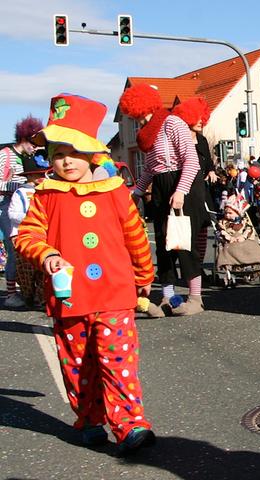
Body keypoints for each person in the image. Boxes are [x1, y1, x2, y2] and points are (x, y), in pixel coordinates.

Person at [14, 93, 156, 454]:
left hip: (114, 293)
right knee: (78, 366)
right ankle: (89, 418)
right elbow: (28, 236)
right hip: (69, 298)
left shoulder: (114, 192)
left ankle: (130, 425)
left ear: (91, 153)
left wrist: (144, 278)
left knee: (117, 361)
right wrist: (46, 254)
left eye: (73, 152)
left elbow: (135, 236)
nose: (65, 161)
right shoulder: (46, 195)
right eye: (58, 153)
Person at [119, 84, 205, 316]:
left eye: (138, 114)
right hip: (160, 186)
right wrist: (136, 193)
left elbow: (191, 160)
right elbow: (150, 168)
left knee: (183, 243)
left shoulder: (172, 123)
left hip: (181, 184)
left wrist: (180, 191)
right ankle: (169, 298)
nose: (138, 120)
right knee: (164, 244)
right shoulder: (149, 133)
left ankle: (195, 299)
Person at [0, 115, 43, 307]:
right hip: (5, 206)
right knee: (13, 248)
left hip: (21, 205)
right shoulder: (6, 155)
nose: (34, 147)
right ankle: (10, 294)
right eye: (32, 143)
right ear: (24, 138)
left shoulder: (27, 158)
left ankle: (25, 290)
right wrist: (20, 186)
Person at [172, 97, 216, 278]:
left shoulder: (202, 140)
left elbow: (208, 162)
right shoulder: (179, 139)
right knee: (181, 230)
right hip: (183, 188)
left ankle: (197, 267)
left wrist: (212, 172)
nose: (200, 122)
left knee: (202, 229)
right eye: (196, 117)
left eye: (202, 118)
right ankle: (179, 264)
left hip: (201, 190)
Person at [7, 150, 50, 308]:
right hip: (21, 236)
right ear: (30, 176)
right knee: (26, 270)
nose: (42, 178)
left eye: (43, 174)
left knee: (40, 269)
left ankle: (40, 298)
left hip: (40, 236)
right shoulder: (21, 193)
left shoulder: (45, 191)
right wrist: (31, 215)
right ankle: (27, 295)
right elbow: (13, 214)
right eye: (38, 174)